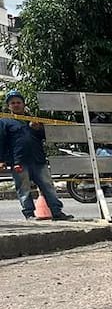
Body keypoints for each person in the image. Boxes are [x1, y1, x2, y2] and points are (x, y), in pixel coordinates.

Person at [0, 90, 71, 220]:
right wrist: (1, 160)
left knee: (48, 187)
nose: (16, 105)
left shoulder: (32, 119)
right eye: (13, 103)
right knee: (24, 190)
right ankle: (29, 215)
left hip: (38, 160)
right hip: (19, 161)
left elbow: (44, 136)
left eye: (18, 102)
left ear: (23, 104)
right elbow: (1, 142)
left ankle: (57, 212)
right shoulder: (4, 122)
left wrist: (39, 129)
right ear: (8, 106)